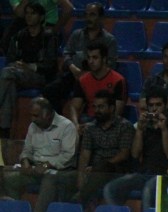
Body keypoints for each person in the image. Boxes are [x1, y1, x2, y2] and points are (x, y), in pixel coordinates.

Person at [0, 96, 76, 212]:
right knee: (10, 179)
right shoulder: (33, 126)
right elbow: (27, 150)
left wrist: (46, 165)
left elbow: (68, 157)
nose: (32, 119)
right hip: (35, 170)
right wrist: (25, 161)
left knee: (49, 179)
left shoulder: (66, 127)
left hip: (59, 172)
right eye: (31, 115)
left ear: (48, 115)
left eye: (36, 116)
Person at [102, 91, 168, 209]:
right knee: (110, 189)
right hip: (144, 174)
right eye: (151, 105)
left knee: (148, 190)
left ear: (165, 106)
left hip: (165, 175)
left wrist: (164, 130)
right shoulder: (142, 127)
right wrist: (140, 130)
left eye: (158, 105)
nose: (154, 108)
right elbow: (135, 154)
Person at [42, 1, 117, 119]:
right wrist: (73, 68)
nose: (88, 18)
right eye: (86, 14)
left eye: (92, 15)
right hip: (74, 75)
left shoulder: (109, 40)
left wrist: (90, 75)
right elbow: (67, 53)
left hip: (96, 79)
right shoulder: (76, 35)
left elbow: (111, 64)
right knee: (50, 90)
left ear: (101, 18)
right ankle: (59, 122)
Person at [0, 2, 60, 139]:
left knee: (7, 73)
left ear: (41, 17)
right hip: (18, 75)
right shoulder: (20, 35)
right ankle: (4, 132)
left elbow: (50, 65)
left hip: (41, 76)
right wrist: (17, 64)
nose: (28, 16)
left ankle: (4, 129)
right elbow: (10, 58)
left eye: (33, 13)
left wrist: (29, 66)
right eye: (27, 13)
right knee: (9, 85)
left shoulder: (49, 36)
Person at [75, 89, 133, 209]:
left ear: (112, 108)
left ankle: (80, 200)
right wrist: (81, 178)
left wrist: (98, 167)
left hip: (117, 169)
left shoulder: (125, 126)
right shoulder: (90, 128)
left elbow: (124, 154)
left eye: (101, 107)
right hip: (93, 171)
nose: (97, 110)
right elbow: (85, 155)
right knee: (63, 179)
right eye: (95, 107)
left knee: (103, 167)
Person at [67, 41, 127, 133]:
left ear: (104, 59)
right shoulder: (83, 80)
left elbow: (117, 113)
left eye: (95, 57)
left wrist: (93, 126)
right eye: (89, 57)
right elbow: (74, 106)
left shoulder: (118, 80)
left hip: (108, 121)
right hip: (88, 118)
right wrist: (75, 125)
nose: (90, 61)